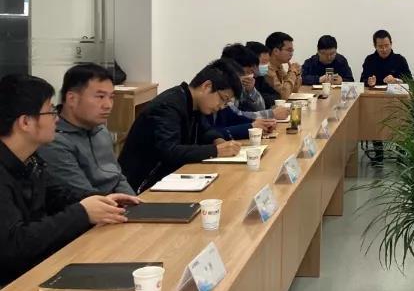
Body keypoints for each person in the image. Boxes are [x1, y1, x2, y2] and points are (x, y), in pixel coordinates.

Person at [0, 74, 140, 286]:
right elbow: (14, 244)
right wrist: (82, 213)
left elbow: (57, 195)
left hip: (39, 268)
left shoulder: (30, 159)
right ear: (25, 122)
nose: (56, 118)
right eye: (50, 111)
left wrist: (101, 200)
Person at [118, 59, 243, 192]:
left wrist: (218, 140)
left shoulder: (193, 103)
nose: (222, 106)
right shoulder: (168, 106)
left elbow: (206, 130)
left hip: (168, 179)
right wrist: (216, 150)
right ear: (206, 86)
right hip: (140, 186)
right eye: (223, 99)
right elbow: (170, 151)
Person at [37, 64, 135, 196]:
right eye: (100, 97)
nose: (108, 105)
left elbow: (117, 177)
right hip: (89, 205)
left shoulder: (101, 130)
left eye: (111, 97)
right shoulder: (53, 140)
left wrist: (136, 203)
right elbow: (82, 193)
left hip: (114, 203)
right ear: (72, 99)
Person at [221, 43, 288, 121]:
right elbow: (235, 115)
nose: (249, 75)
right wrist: (271, 114)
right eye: (247, 72)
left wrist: (251, 90)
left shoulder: (249, 81)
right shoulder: (222, 85)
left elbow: (261, 107)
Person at [264, 31, 301, 100]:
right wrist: (292, 72)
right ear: (276, 51)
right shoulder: (266, 69)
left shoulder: (279, 66)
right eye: (289, 50)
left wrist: (297, 74)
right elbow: (284, 95)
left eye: (292, 51)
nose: (291, 54)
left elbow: (293, 90)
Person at [246, 41, 279, 108]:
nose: (267, 66)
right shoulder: (246, 80)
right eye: (264, 62)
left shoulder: (259, 77)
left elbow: (277, 96)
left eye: (267, 62)